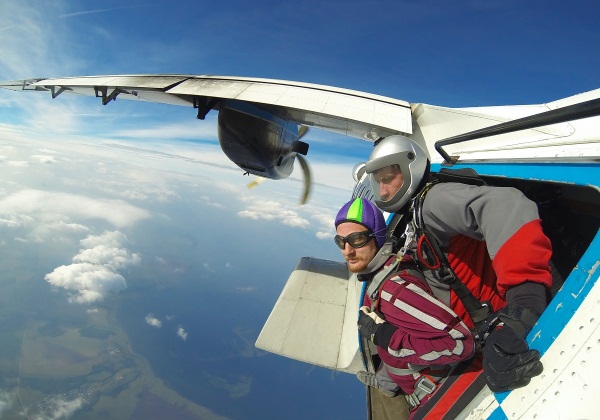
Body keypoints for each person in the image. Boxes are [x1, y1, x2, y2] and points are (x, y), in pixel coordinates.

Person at [361, 135, 553, 396]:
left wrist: (523, 307)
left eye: (388, 179)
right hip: (465, 331)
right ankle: (387, 380)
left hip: (489, 333)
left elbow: (507, 205)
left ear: (409, 169)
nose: (382, 191)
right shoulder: (413, 212)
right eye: (378, 182)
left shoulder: (432, 202)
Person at [334, 197, 475, 414]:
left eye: (357, 239)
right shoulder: (382, 272)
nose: (347, 251)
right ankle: (387, 384)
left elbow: (460, 343)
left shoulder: (395, 292)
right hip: (403, 378)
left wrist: (385, 336)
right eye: (341, 241)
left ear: (378, 237)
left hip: (426, 393)